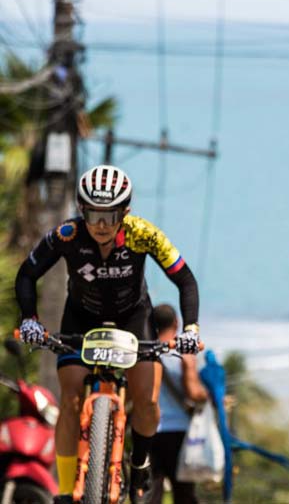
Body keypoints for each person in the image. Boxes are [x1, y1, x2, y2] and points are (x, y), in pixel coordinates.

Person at [15, 165, 203, 504]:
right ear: (81, 209)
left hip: (133, 317)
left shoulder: (144, 234)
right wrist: (29, 319)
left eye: (110, 215)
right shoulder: (67, 235)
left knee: (146, 400)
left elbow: (185, 280)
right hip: (81, 318)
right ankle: (65, 488)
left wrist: (191, 328)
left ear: (125, 212)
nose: (101, 224)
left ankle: (140, 463)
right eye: (93, 214)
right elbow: (27, 273)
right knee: (70, 400)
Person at [149, 304, 208, 504]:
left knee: (151, 493)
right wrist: (210, 395)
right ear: (176, 322)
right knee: (184, 494)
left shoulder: (145, 352)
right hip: (178, 432)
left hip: (148, 430)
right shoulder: (184, 353)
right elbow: (193, 392)